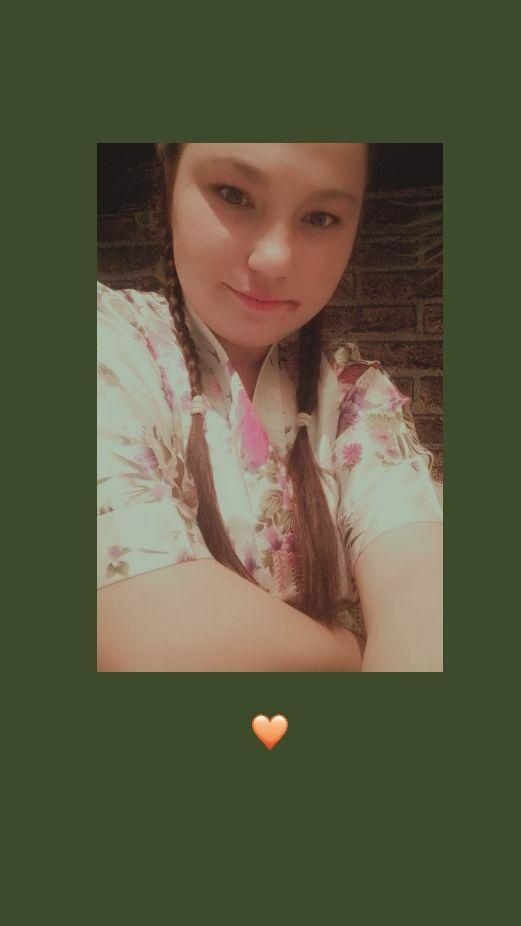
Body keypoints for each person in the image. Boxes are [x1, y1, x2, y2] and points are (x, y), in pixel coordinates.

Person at [97, 142, 443, 672]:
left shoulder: (354, 397)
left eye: (320, 217)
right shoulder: (107, 342)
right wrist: (352, 653)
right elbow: (143, 632)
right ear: (169, 180)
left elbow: (423, 593)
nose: (275, 258)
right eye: (233, 194)